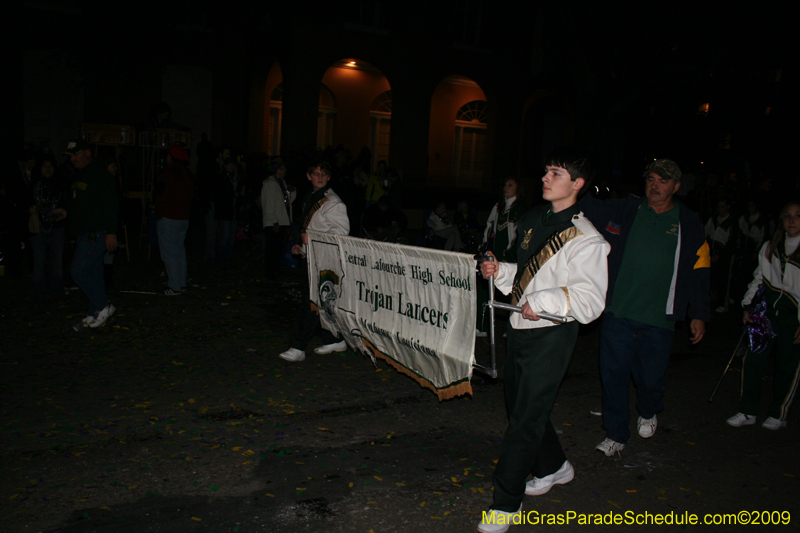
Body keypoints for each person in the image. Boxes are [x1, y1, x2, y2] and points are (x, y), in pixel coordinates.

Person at [477, 147, 609, 533]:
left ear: (577, 184)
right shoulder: (534, 218)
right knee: (521, 408)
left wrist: (545, 302)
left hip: (552, 334)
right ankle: (554, 466)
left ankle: (506, 502)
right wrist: (500, 270)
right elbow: (530, 274)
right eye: (546, 171)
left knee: (524, 421)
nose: (545, 178)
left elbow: (590, 299)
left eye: (556, 174)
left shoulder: (587, 239)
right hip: (520, 326)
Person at [580, 159, 710, 458]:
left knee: (650, 381)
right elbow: (589, 208)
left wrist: (699, 313)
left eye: (663, 181)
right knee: (613, 377)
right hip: (619, 313)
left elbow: (700, 270)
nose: (655, 186)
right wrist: (575, 182)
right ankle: (615, 434)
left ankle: (649, 410)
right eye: (651, 179)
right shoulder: (628, 209)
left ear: (676, 186)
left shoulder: (689, 223)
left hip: (659, 320)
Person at [726, 201, 800, 431]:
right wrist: (747, 305)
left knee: (787, 365)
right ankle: (748, 410)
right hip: (767, 313)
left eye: (797, 216)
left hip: (793, 316)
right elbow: (759, 278)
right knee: (754, 360)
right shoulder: (770, 247)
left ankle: (779, 413)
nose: (792, 220)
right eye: (787, 216)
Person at [279, 161, 350, 363]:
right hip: (313, 257)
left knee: (311, 303)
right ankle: (334, 339)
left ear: (328, 177)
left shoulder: (333, 202)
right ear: (309, 176)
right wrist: (302, 247)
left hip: (324, 260)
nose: (320, 177)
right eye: (316, 173)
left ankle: (297, 347)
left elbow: (341, 233)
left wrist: (312, 239)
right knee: (323, 302)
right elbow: (311, 227)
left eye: (324, 174)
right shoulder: (311, 197)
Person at [55, 139, 119, 329]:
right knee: (94, 273)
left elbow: (111, 204)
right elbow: (80, 202)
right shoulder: (81, 175)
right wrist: (66, 211)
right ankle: (94, 312)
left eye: (76, 154)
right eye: (71, 156)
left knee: (79, 271)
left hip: (96, 232)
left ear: (88, 153)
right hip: (84, 233)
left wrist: (111, 232)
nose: (73, 159)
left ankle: (103, 306)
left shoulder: (100, 174)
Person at [155, 145, 194, 295]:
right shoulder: (187, 174)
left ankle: (174, 286)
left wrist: (158, 212)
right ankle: (181, 282)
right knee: (179, 251)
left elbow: (161, 195)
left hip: (169, 217)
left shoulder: (168, 173)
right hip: (183, 218)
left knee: (169, 253)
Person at [29, 156, 68, 302]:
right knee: (39, 263)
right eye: (44, 166)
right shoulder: (34, 185)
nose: (47, 169)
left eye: (50, 166)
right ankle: (38, 294)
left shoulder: (61, 184)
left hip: (57, 227)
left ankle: (57, 293)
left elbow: (67, 203)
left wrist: (62, 211)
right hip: (39, 228)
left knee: (57, 263)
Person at [260, 160, 296, 276]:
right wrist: (274, 221)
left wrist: (292, 192)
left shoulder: (281, 183)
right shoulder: (270, 184)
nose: (285, 171)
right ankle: (270, 271)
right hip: (274, 222)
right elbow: (269, 205)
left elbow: (288, 201)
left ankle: (275, 269)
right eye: (282, 169)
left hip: (281, 220)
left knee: (278, 248)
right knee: (272, 248)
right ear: (277, 170)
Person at [705, 197, 736, 312]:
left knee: (724, 278)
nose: (720, 210)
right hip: (712, 251)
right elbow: (706, 233)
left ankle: (724, 303)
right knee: (713, 277)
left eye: (722, 207)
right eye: (718, 207)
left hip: (725, 255)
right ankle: (713, 300)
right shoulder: (713, 219)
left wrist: (719, 255)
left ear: (728, 207)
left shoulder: (732, 222)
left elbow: (732, 243)